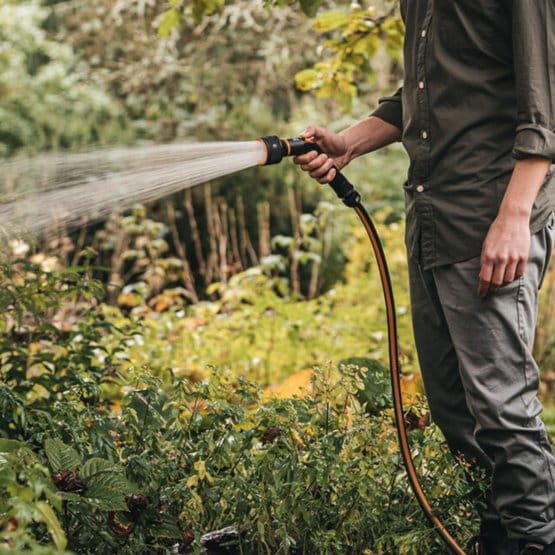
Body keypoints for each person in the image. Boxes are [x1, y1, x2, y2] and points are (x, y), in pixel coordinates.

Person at [293, 1, 555, 554]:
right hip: (433, 217)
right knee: (454, 413)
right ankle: (500, 541)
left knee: (503, 413)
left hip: (491, 221)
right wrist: (348, 142)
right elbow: (422, 93)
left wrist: (514, 218)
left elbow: (546, 101)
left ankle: (537, 541)